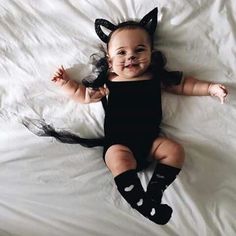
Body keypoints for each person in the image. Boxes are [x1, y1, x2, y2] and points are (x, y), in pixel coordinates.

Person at [37, 8, 229, 225]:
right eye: (121, 53)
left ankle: (154, 193)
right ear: (109, 61)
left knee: (175, 150)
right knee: (118, 160)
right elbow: (84, 95)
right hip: (118, 143)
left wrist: (210, 88)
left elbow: (185, 84)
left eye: (139, 50)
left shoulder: (156, 77)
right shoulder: (109, 81)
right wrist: (66, 84)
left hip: (151, 142)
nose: (131, 56)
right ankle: (142, 203)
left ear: (151, 54)